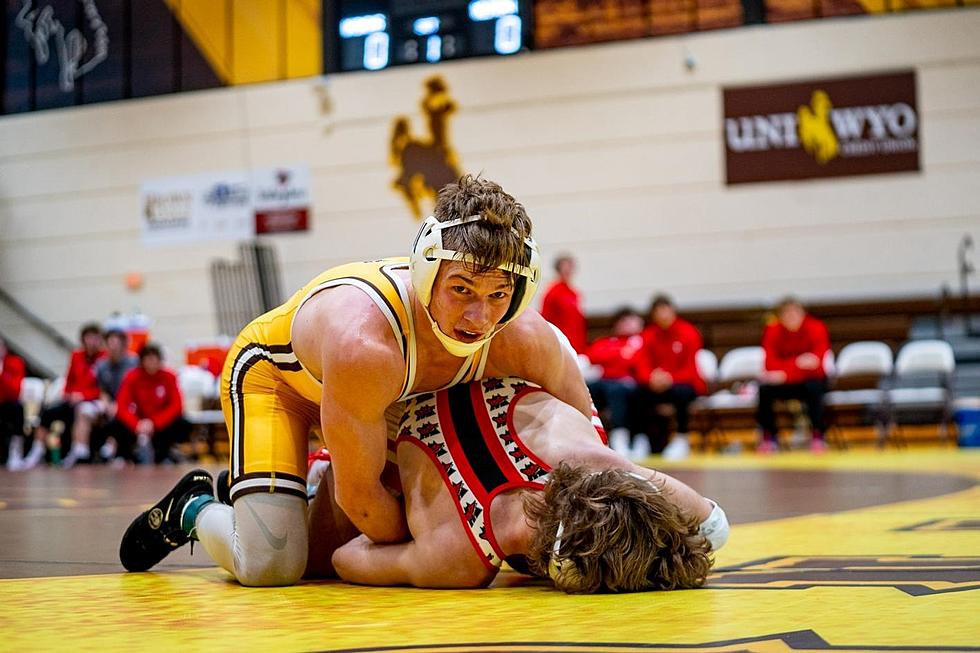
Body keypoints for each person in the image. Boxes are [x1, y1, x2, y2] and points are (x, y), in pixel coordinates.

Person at [119, 175, 593, 586]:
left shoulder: (526, 338)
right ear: (428, 271)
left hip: (379, 402)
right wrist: (443, 542)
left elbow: (591, 440)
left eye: (497, 295)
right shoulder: (367, 343)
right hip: (279, 384)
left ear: (518, 293)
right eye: (462, 289)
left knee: (326, 556)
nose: (478, 315)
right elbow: (362, 500)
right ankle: (196, 508)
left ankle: (274, 490)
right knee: (274, 563)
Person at [316, 377, 727, 592]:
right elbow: (344, 558)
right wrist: (412, 516)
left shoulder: (588, 460)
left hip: (438, 368)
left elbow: (714, 525)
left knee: (712, 530)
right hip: (393, 404)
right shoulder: (456, 560)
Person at [18, 323, 104, 470]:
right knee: (47, 413)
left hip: (90, 401)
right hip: (72, 400)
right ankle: (37, 451)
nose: (92, 341)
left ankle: (78, 452)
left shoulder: (104, 359)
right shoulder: (77, 356)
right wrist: (69, 394)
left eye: (95, 338)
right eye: (88, 337)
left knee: (81, 411)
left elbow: (103, 388)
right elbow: (69, 381)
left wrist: (83, 395)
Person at [630, 295, 706, 460]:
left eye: (666, 310)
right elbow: (641, 364)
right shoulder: (648, 335)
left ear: (673, 311)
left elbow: (690, 369)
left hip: (682, 383)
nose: (663, 315)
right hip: (656, 384)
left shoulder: (688, 333)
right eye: (659, 311)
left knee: (683, 393)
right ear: (653, 315)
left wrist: (670, 378)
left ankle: (681, 438)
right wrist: (651, 378)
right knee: (635, 393)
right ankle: (640, 438)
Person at [756, 297, 830, 454]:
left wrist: (785, 372)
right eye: (787, 314)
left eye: (795, 312)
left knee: (814, 386)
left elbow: (817, 366)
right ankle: (770, 437)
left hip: (808, 382)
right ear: (780, 316)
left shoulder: (816, 327)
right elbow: (769, 364)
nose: (792, 317)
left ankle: (818, 435)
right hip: (786, 383)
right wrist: (798, 363)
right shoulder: (772, 331)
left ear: (803, 313)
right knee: (764, 389)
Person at [113, 343, 190, 464]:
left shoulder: (169, 376)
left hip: (160, 422)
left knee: (181, 422)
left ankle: (164, 454)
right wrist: (136, 424)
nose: (151, 363)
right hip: (139, 420)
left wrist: (154, 423)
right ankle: (125, 455)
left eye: (154, 359)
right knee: (116, 422)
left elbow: (177, 406)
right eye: (148, 359)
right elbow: (122, 406)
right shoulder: (132, 377)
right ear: (142, 361)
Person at [585, 307, 644, 456]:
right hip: (606, 382)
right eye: (623, 321)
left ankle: (620, 436)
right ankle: (588, 431)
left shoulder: (642, 341)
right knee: (587, 389)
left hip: (631, 384)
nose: (627, 324)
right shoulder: (607, 341)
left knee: (616, 391)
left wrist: (617, 356)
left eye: (631, 320)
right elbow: (593, 356)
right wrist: (619, 354)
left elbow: (636, 361)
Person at [91, 329, 139, 462]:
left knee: (123, 414)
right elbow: (102, 390)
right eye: (109, 343)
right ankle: (89, 450)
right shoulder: (101, 365)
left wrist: (118, 405)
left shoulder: (134, 362)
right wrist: (106, 403)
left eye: (116, 343)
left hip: (130, 401)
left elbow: (135, 389)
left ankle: (115, 446)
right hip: (110, 401)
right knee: (95, 411)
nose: (112, 347)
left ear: (123, 345)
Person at [540, 254, 587, 355]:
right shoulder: (553, 292)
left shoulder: (573, 292)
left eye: (570, 267)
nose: (568, 271)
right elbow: (546, 319)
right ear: (558, 270)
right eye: (565, 268)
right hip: (561, 342)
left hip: (576, 341)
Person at [0, 335, 26, 468]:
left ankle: (15, 453)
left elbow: (15, 391)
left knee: (17, 408)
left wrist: (2, 373)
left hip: (8, 403)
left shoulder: (15, 362)